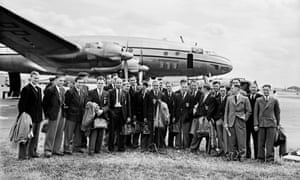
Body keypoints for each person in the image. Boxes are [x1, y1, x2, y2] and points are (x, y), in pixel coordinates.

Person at [17, 71, 43, 159]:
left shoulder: (39, 89)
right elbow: (21, 104)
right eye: (35, 78)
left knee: (35, 136)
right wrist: (23, 115)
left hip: (37, 117)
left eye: (38, 78)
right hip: (28, 117)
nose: (36, 80)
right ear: (31, 78)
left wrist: (41, 116)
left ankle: (32, 152)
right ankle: (23, 155)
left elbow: (39, 104)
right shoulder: (26, 89)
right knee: (26, 136)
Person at [224, 84, 252, 161]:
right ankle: (232, 154)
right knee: (232, 139)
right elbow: (226, 111)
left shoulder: (245, 99)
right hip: (231, 121)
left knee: (241, 139)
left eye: (233, 88)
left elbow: (249, 111)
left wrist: (244, 118)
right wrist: (226, 122)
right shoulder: (229, 99)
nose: (231, 90)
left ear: (237, 89)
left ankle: (242, 154)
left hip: (240, 121)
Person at [254, 84, 280, 162]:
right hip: (261, 123)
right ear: (262, 91)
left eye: (267, 90)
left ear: (270, 91)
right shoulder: (258, 100)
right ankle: (260, 158)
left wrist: (278, 124)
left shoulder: (274, 100)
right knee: (260, 142)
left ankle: (270, 158)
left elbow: (277, 113)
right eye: (264, 90)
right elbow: (255, 113)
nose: (266, 91)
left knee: (270, 142)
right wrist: (255, 124)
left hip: (271, 123)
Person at [42, 75, 66, 158]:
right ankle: (48, 149)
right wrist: (46, 115)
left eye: (63, 81)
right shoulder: (50, 90)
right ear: (55, 81)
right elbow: (45, 103)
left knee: (59, 131)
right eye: (60, 80)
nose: (62, 82)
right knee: (51, 132)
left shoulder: (63, 90)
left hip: (61, 112)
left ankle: (56, 149)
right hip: (53, 113)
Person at [63, 77, 87, 155]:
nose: (80, 84)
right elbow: (66, 105)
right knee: (68, 133)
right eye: (79, 82)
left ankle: (76, 147)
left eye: (82, 83)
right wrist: (68, 114)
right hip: (71, 116)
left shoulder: (83, 92)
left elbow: (83, 105)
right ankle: (66, 148)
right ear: (75, 83)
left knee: (78, 133)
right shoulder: (70, 92)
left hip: (80, 116)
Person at [87, 78, 110, 155]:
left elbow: (108, 105)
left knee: (101, 133)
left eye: (102, 83)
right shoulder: (91, 92)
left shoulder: (106, 93)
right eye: (99, 83)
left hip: (103, 115)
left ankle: (98, 150)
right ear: (96, 83)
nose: (100, 84)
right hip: (94, 115)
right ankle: (91, 150)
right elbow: (88, 102)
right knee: (94, 133)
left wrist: (102, 110)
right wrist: (96, 110)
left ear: (104, 84)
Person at [190, 84, 215, 153]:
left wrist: (207, 118)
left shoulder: (211, 97)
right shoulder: (202, 96)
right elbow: (200, 107)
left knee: (207, 134)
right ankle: (194, 148)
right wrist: (198, 115)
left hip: (207, 118)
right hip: (200, 117)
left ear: (205, 89)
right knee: (198, 133)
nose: (201, 90)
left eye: (202, 88)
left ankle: (208, 149)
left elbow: (211, 109)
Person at [108, 78, 131, 152]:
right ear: (115, 83)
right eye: (117, 83)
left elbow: (128, 105)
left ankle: (121, 147)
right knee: (112, 131)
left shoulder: (126, 92)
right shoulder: (111, 92)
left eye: (120, 83)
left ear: (122, 84)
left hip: (122, 113)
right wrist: (111, 113)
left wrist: (129, 116)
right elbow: (108, 104)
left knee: (121, 131)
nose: (119, 84)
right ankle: (111, 148)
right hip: (113, 112)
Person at [142, 80, 162, 151]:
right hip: (150, 115)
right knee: (149, 131)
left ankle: (156, 145)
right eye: (154, 86)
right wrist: (145, 116)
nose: (156, 87)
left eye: (157, 86)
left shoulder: (160, 93)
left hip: (157, 115)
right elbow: (145, 106)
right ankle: (148, 146)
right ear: (152, 86)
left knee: (156, 131)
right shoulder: (148, 94)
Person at [173, 79, 193, 149]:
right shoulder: (177, 95)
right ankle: (178, 144)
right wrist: (174, 116)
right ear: (181, 87)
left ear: (187, 88)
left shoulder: (190, 96)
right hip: (178, 115)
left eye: (185, 87)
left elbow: (191, 108)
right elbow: (174, 106)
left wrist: (188, 115)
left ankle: (186, 145)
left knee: (185, 131)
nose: (184, 88)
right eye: (183, 87)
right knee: (178, 131)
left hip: (186, 116)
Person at [246, 83, 262, 159]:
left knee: (256, 140)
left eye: (255, 87)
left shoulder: (260, 97)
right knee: (247, 140)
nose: (253, 89)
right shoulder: (246, 97)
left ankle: (257, 156)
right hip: (247, 122)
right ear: (249, 88)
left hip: (256, 122)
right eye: (252, 87)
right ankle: (247, 155)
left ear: (257, 88)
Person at [213, 85, 228, 156]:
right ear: (219, 91)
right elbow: (214, 109)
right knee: (219, 136)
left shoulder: (228, 99)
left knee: (226, 136)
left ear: (226, 91)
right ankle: (221, 150)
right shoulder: (216, 99)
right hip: (218, 119)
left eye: (224, 91)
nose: (222, 92)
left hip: (225, 120)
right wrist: (216, 118)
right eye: (221, 91)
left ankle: (226, 151)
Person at [132, 82, 147, 148]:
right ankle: (135, 144)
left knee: (144, 131)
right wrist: (134, 114)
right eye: (141, 85)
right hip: (138, 115)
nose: (142, 87)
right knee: (137, 130)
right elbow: (134, 105)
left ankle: (143, 144)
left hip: (145, 116)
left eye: (143, 86)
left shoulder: (148, 94)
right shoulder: (136, 94)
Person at [162, 81, 176, 148]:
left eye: (169, 86)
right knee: (164, 129)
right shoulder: (163, 95)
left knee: (171, 130)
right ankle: (163, 143)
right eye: (167, 86)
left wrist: (173, 116)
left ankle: (170, 144)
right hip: (165, 115)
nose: (168, 88)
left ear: (172, 87)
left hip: (172, 114)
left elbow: (175, 107)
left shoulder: (174, 95)